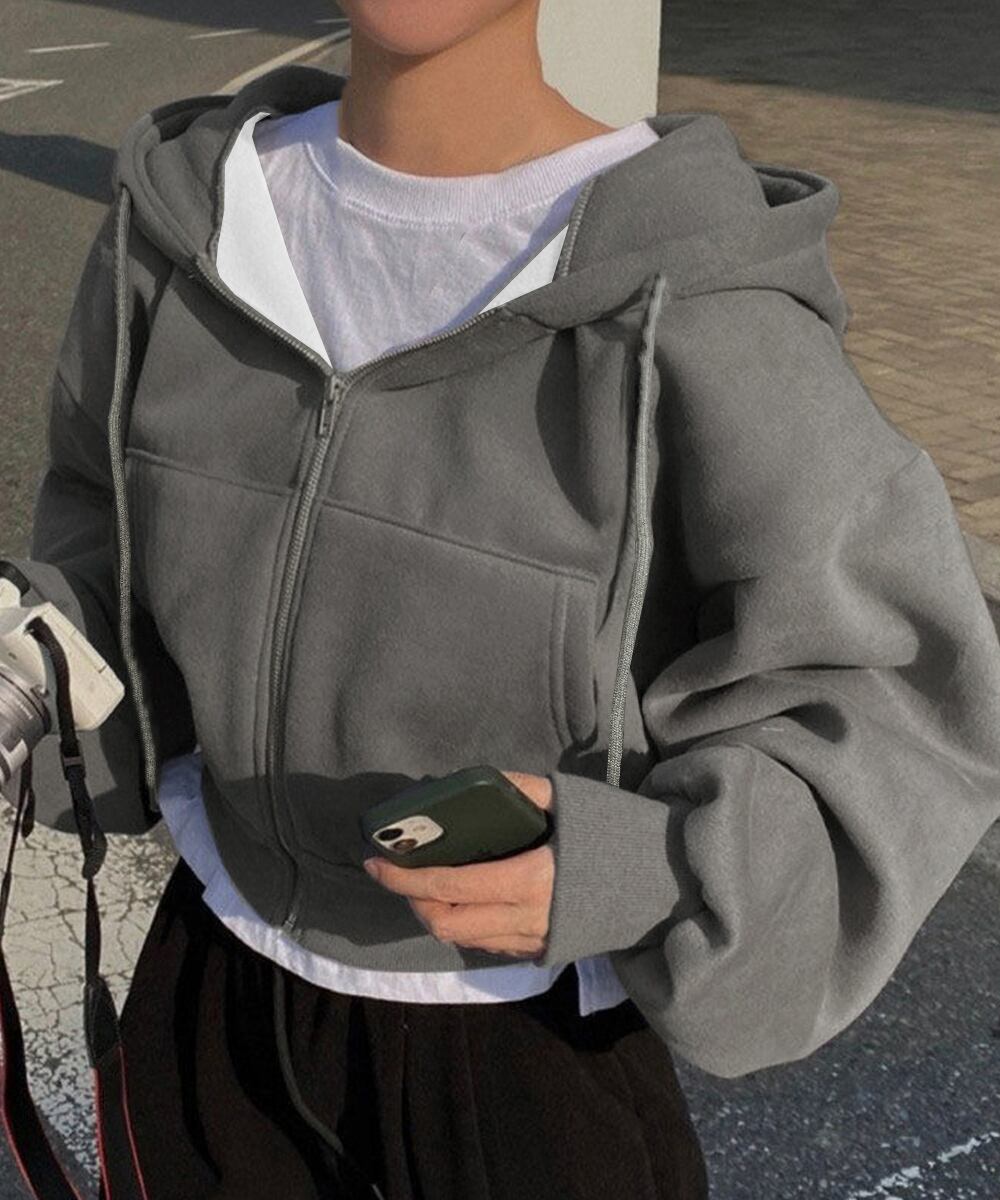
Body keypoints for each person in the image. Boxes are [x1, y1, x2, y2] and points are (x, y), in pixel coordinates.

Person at [5, 0, 1000, 1196]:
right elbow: (104, 532)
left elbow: (896, 685)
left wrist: (648, 867)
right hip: (208, 1004)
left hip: (521, 1058)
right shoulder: (183, 225)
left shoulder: (697, 288)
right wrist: (34, 669)